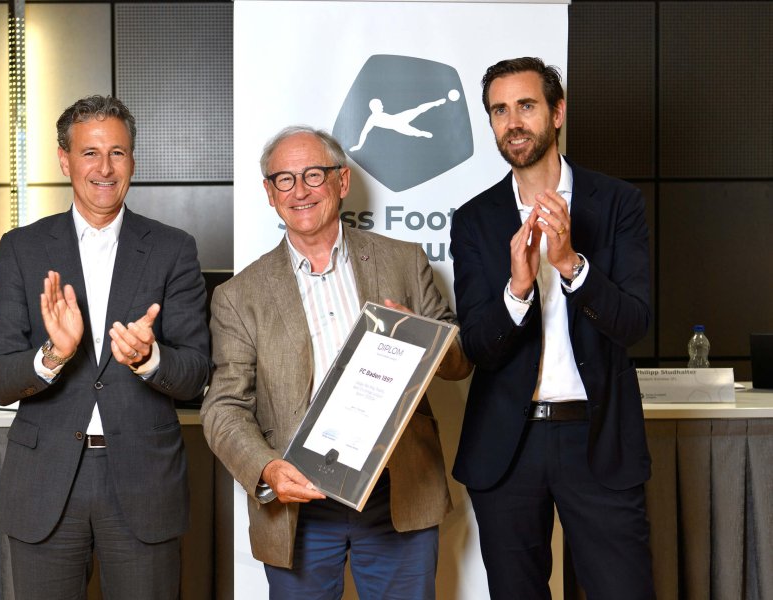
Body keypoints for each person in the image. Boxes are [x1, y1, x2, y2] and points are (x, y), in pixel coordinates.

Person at [201, 125, 471, 600]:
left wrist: (424, 339)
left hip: (396, 493)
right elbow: (224, 409)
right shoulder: (238, 296)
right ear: (269, 193)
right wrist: (266, 470)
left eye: (313, 175)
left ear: (341, 182)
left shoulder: (404, 262)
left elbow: (458, 364)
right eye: (284, 179)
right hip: (298, 502)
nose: (299, 191)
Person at [0, 95, 212, 600]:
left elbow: (195, 372)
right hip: (46, 485)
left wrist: (148, 359)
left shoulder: (174, 249)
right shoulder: (19, 248)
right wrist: (54, 356)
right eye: (90, 153)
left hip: (144, 481)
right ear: (64, 160)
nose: (104, 169)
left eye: (118, 153)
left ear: (134, 160)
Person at [450, 57, 656, 599]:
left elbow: (634, 323)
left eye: (526, 106)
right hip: (506, 448)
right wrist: (516, 292)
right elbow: (475, 345)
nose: (512, 121)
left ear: (557, 113)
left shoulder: (617, 204)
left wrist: (570, 266)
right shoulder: (474, 218)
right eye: (499, 110)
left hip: (599, 439)